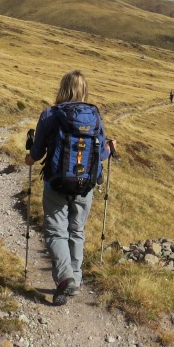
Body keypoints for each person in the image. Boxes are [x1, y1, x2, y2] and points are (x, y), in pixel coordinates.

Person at [25, 70, 115, 306]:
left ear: (63, 88)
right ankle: (75, 278)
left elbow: (37, 151)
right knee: (76, 230)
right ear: (85, 90)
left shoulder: (51, 114)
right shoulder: (95, 116)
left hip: (55, 183)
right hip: (86, 185)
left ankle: (66, 279)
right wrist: (110, 148)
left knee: (56, 231)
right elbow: (101, 153)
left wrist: (29, 158)